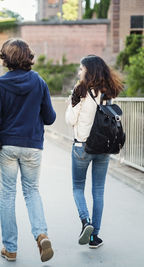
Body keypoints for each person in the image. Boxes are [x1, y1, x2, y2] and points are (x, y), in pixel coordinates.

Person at [0, 39, 56, 262]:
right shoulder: (39, 82)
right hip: (33, 146)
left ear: (5, 58)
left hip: (8, 145)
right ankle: (41, 234)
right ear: (28, 56)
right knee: (32, 191)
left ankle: (10, 248)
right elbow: (50, 117)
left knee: (7, 195)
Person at [65, 55, 123, 249]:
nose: (79, 72)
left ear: (89, 70)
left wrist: (71, 101)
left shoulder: (80, 90)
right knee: (98, 191)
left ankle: (85, 222)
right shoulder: (109, 91)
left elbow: (70, 120)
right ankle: (94, 237)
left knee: (77, 188)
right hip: (103, 148)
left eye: (81, 69)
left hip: (82, 147)